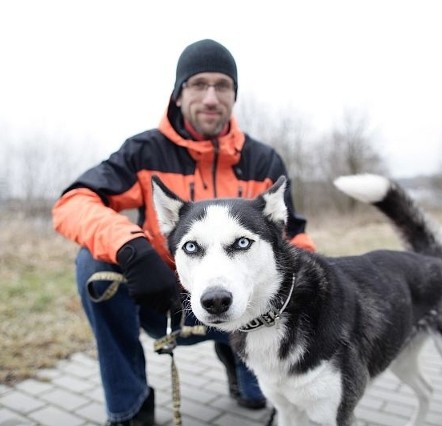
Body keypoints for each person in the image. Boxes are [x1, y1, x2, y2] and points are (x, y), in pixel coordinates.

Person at [52, 38, 316, 426]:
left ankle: (239, 360)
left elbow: (293, 237)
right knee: (94, 265)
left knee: (263, 392)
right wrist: (131, 247)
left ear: (234, 95)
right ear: (178, 94)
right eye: (198, 84)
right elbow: (73, 202)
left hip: (249, 309)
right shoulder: (144, 152)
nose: (211, 97)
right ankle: (129, 407)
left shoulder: (263, 160)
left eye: (222, 85)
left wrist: (322, 289)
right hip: (165, 298)